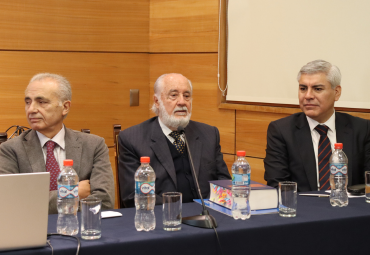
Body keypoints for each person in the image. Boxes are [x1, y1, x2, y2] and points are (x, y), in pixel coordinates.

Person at [0, 73, 114, 213]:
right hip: (32, 231)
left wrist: (38, 202)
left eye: (41, 102)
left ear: (65, 107)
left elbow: (105, 201)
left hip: (81, 229)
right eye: (28, 102)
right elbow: (10, 204)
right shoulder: (10, 150)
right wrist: (74, 193)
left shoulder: (94, 145)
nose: (31, 109)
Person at [118, 73, 231, 208]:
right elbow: (133, 196)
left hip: (207, 215)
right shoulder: (132, 139)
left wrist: (209, 206)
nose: (182, 102)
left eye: (187, 96)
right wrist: (177, 210)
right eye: (174, 95)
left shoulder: (209, 134)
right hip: (163, 218)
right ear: (157, 101)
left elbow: (224, 182)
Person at [264, 60, 370, 192]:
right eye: (303, 88)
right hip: (304, 209)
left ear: (336, 92)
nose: (308, 96)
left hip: (350, 208)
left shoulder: (362, 129)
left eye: (317, 89)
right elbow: (277, 184)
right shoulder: (281, 130)